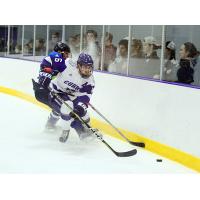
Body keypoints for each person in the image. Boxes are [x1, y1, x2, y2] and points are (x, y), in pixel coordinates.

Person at [47, 52, 96, 142]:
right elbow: (53, 63)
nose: (87, 70)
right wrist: (48, 73)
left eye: (89, 67)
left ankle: (87, 129)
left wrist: (80, 108)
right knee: (67, 107)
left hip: (70, 95)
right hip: (56, 91)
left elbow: (85, 97)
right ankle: (73, 132)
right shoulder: (68, 65)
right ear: (78, 65)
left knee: (82, 112)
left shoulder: (90, 81)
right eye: (85, 67)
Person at [32, 42, 71, 106]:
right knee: (61, 108)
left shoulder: (63, 62)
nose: (67, 56)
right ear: (59, 52)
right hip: (44, 92)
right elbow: (46, 76)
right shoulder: (51, 59)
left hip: (49, 91)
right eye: (66, 53)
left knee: (60, 109)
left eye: (68, 54)